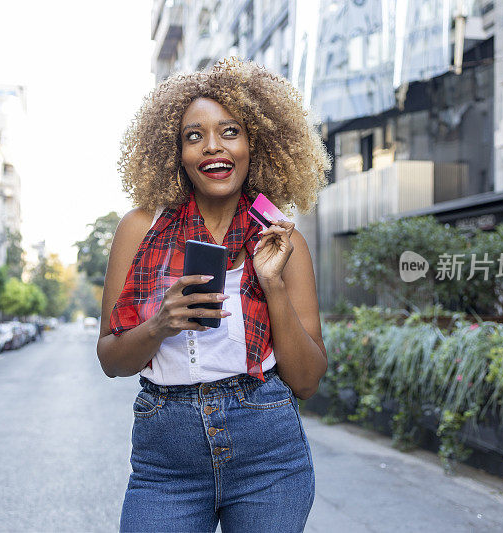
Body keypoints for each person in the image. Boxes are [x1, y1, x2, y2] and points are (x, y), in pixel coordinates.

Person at [97, 57, 330, 533]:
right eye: (193, 135)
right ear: (176, 152)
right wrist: (161, 323)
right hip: (167, 459)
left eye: (230, 131)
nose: (212, 147)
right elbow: (112, 360)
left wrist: (273, 283)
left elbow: (306, 381)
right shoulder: (141, 229)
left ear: (255, 144)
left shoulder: (282, 241)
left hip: (268, 454)